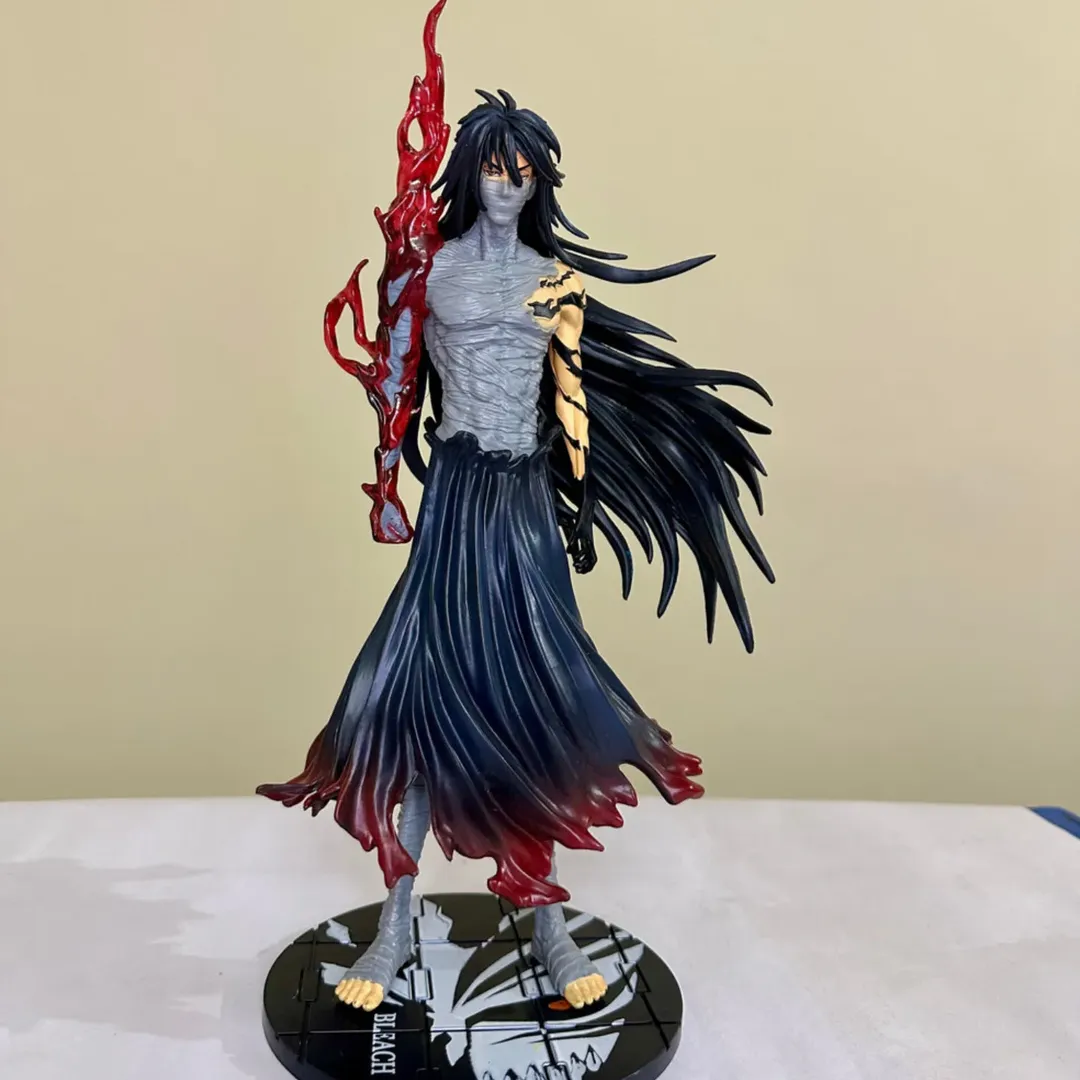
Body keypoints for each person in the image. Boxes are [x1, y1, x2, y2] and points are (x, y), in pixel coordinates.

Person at [258, 83, 773, 1013]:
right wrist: (385, 486)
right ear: (471, 174)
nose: (507, 186)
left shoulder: (554, 280)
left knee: (539, 695)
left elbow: (568, 393)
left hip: (526, 494)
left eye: (523, 173)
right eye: (495, 169)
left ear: (539, 184)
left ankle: (543, 916)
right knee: (419, 694)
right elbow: (397, 383)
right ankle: (398, 919)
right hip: (456, 494)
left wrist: (581, 499)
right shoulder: (430, 270)